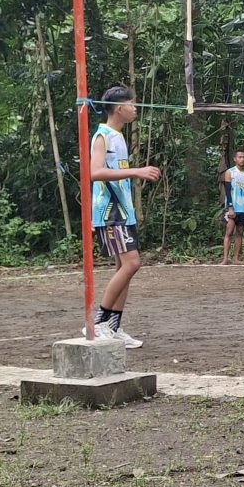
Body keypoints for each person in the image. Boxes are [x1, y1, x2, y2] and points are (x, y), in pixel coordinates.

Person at [89, 84, 162, 348]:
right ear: (120, 109)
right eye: (132, 104)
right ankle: (99, 322)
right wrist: (136, 171)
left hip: (123, 210)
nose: (135, 108)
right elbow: (94, 172)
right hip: (110, 212)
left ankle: (113, 325)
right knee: (132, 264)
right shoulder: (103, 136)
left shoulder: (118, 137)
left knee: (125, 268)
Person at [220, 149, 244, 264]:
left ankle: (236, 258)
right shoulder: (230, 172)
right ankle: (225, 258)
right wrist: (230, 207)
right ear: (235, 159)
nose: (242, 159)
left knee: (240, 232)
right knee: (229, 231)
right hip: (233, 207)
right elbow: (228, 191)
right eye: (239, 157)